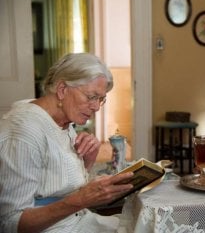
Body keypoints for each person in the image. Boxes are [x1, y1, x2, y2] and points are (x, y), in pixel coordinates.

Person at [0, 53, 134, 233]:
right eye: (91, 97)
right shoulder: (25, 131)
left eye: (101, 99)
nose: (96, 107)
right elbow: (10, 223)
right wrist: (81, 200)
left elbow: (57, 186)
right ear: (62, 89)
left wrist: (88, 160)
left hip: (78, 221)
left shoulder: (63, 121)